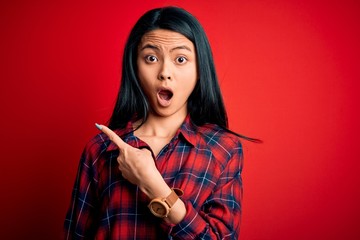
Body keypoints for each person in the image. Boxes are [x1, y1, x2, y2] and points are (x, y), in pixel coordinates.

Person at [64, 6, 255, 239]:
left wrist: (154, 185)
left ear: (199, 70)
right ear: (135, 66)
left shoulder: (223, 149)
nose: (165, 72)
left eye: (181, 59)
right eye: (151, 58)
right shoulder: (100, 149)